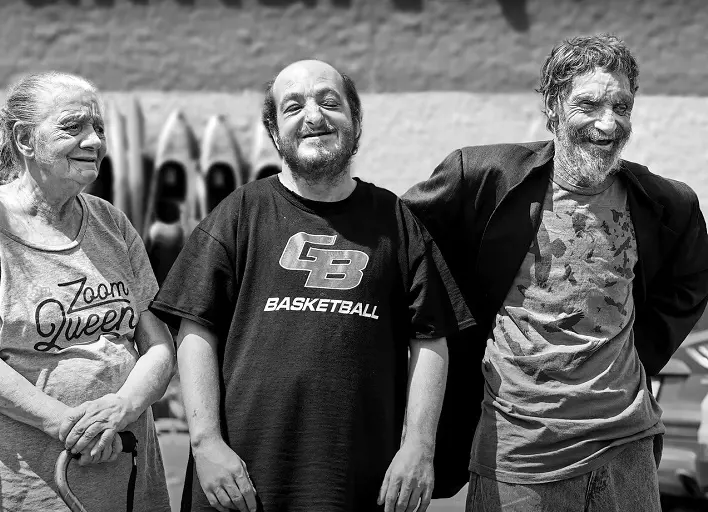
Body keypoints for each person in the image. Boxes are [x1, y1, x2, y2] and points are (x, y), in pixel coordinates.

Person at [150, 59, 473, 512]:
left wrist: (419, 447)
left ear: (355, 120)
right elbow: (195, 331)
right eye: (293, 106)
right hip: (239, 481)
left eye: (328, 101)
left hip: (359, 482)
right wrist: (206, 445)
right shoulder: (240, 212)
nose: (313, 117)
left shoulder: (397, 222)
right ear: (274, 130)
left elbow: (431, 340)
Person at [403, 34, 708, 511]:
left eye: (621, 106)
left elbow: (690, 285)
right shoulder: (483, 177)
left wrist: (638, 354)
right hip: (518, 458)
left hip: (626, 451)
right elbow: (399, 243)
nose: (608, 123)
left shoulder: (667, 203)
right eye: (588, 104)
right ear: (553, 105)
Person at [0, 71, 174, 512]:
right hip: (31, 480)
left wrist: (121, 408)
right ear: (25, 140)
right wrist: (68, 424)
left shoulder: (112, 222)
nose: (94, 141)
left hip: (126, 463)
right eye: (73, 126)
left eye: (99, 128)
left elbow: (158, 344)